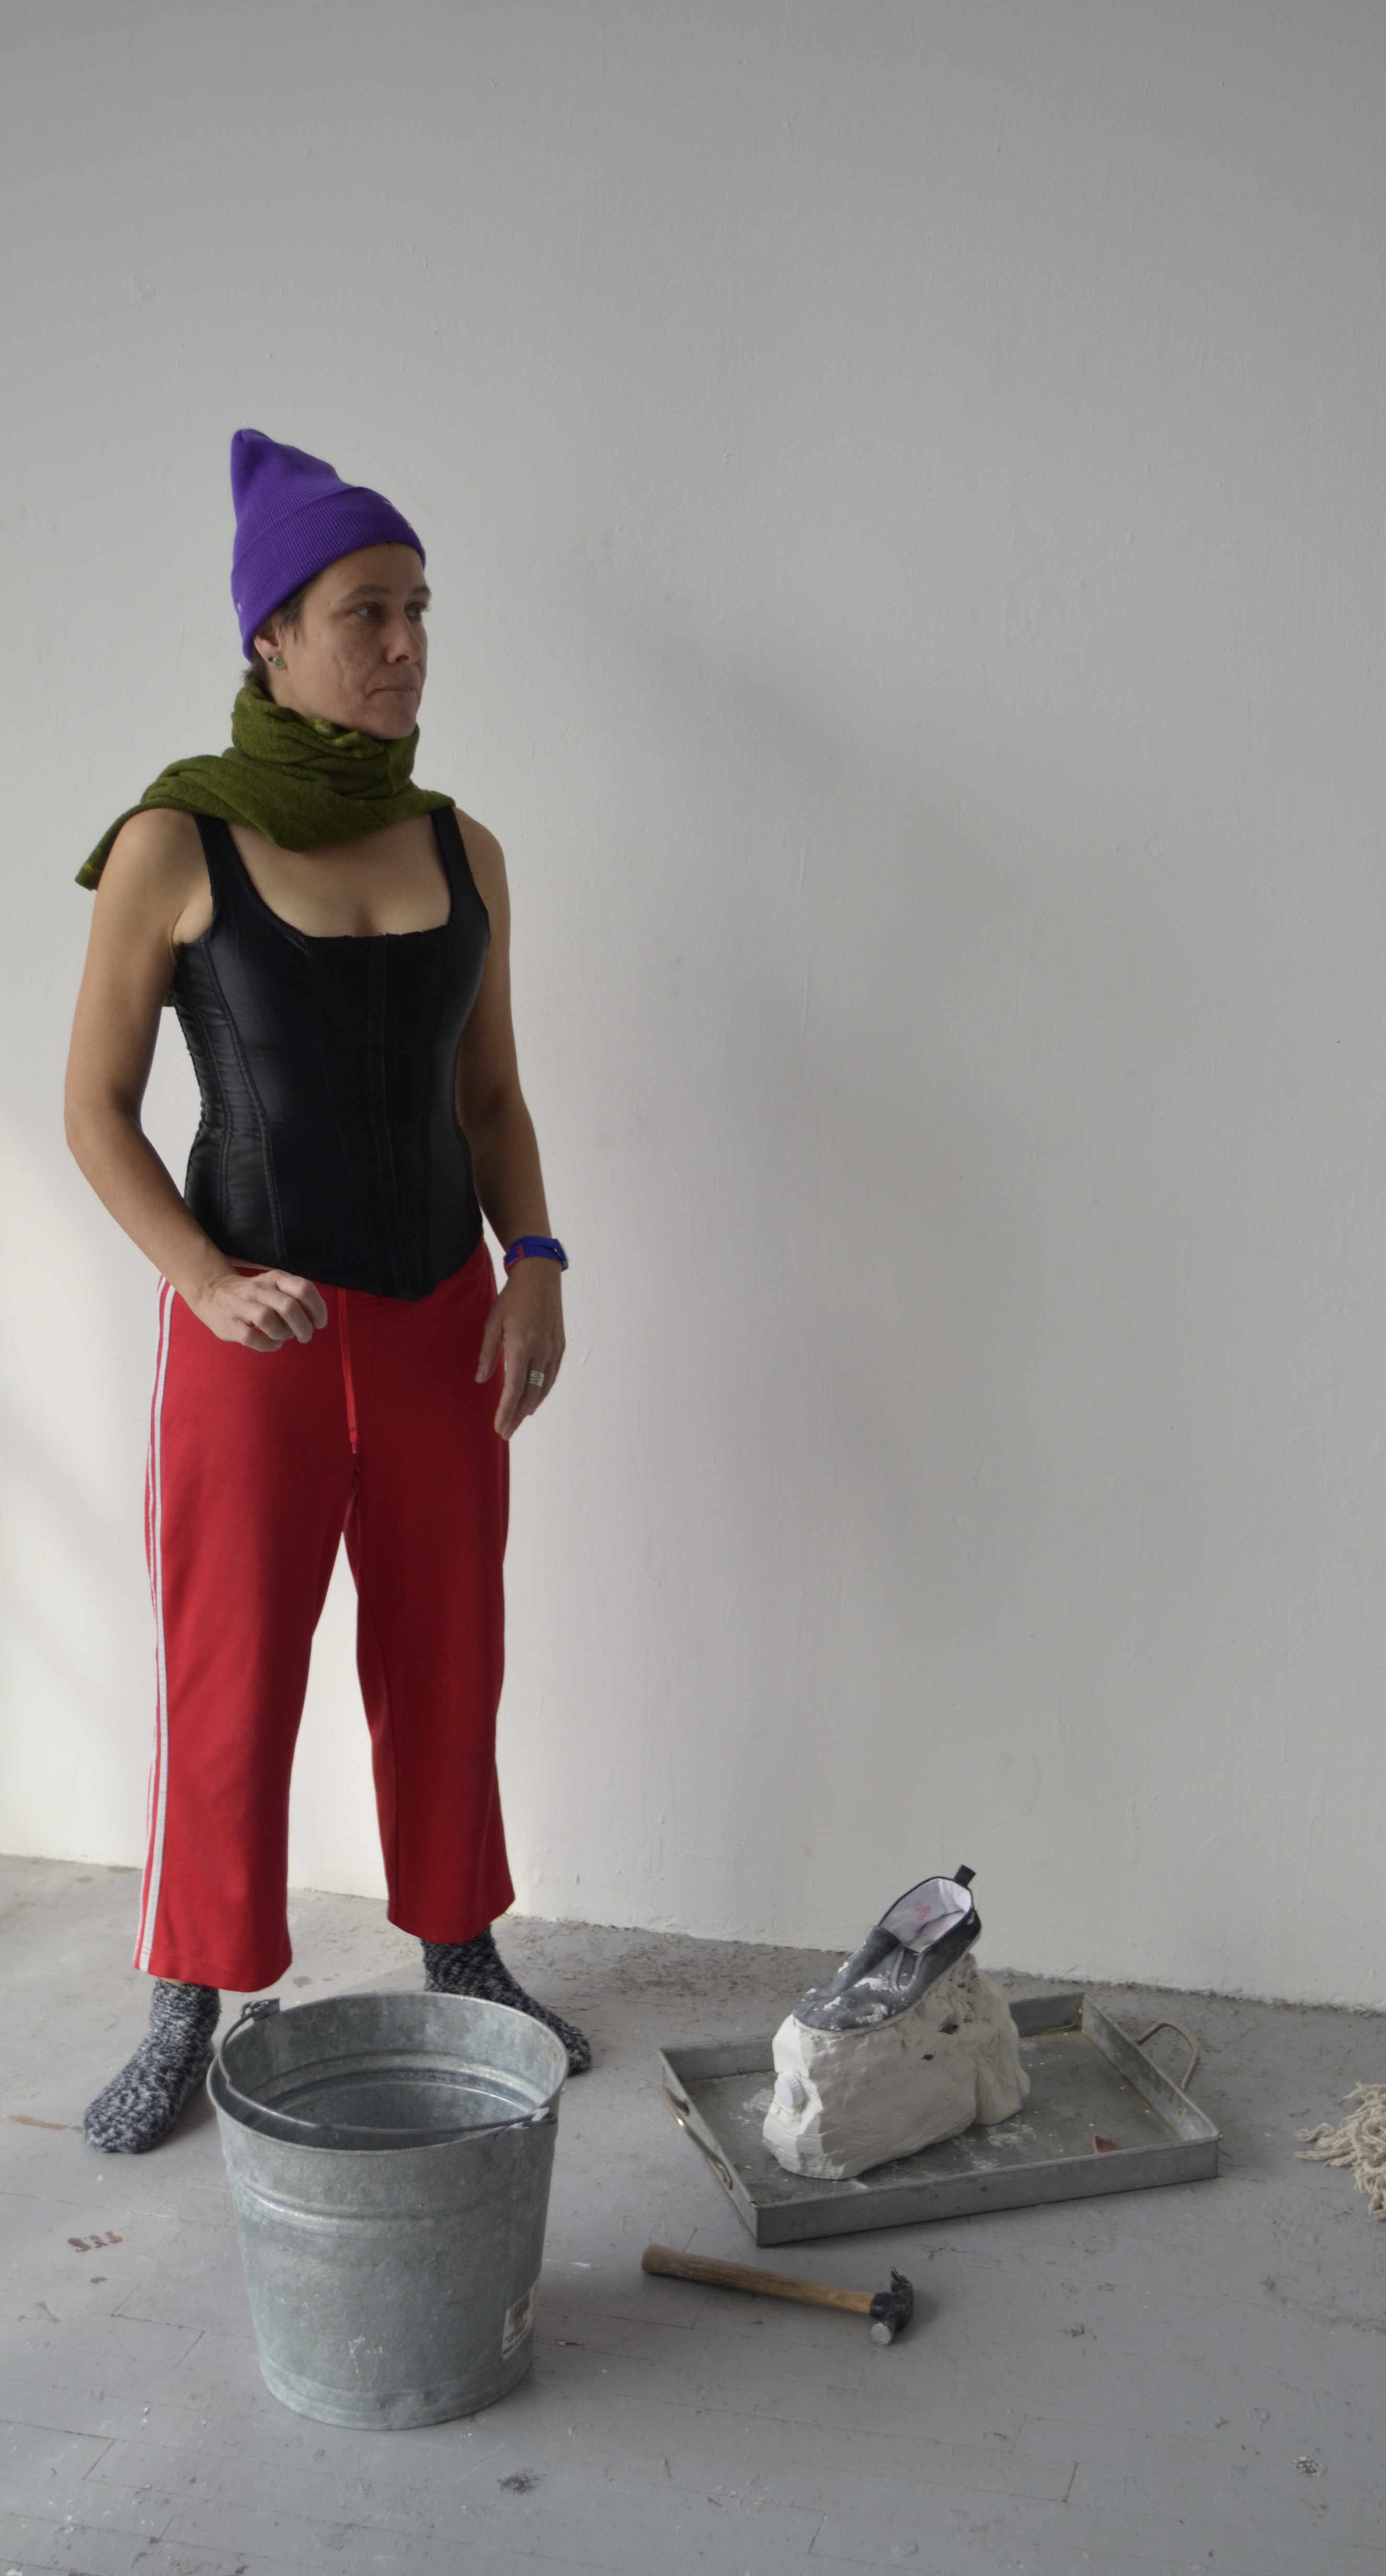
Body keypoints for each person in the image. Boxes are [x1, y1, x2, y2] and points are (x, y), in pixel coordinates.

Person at [65, 430, 589, 2153]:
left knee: (450, 1652)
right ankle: (187, 1998)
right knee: (228, 1669)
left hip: (446, 1317)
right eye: (367, 611)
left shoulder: (465, 847)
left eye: (421, 611)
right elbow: (92, 1108)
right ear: (272, 635)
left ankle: (463, 1949)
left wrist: (537, 1267)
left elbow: (492, 1100)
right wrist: (204, 1283)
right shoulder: (173, 841)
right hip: (256, 1337)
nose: (406, 645)